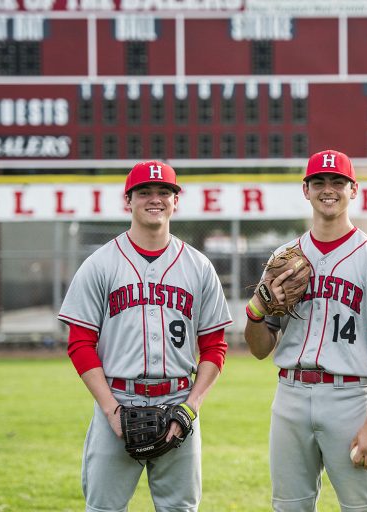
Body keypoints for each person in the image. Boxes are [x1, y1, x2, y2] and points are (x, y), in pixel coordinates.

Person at [58, 160, 232, 511]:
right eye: (145, 192)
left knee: (180, 509)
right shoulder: (101, 263)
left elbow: (215, 347)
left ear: (175, 201)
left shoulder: (198, 267)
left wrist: (191, 408)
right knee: (104, 508)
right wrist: (111, 411)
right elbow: (79, 343)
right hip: (118, 398)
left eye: (164, 192)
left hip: (178, 404)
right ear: (129, 200)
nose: (155, 199)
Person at [244, 149, 367, 512]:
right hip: (290, 395)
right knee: (289, 506)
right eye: (319, 182)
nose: (328, 189)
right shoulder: (284, 257)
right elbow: (259, 348)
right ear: (306, 189)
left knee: (362, 507)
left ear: (354, 189)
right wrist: (256, 310)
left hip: (349, 398)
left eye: (338, 182)